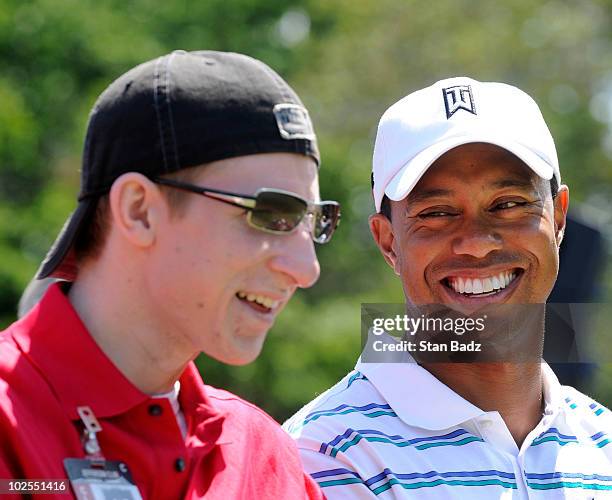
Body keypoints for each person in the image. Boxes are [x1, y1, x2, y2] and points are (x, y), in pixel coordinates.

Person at [0, 50, 341, 499]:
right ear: (138, 211)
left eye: (313, 222)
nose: (306, 269)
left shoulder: (263, 453)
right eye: (271, 214)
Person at [285, 77, 612, 498]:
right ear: (388, 242)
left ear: (560, 219)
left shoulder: (602, 442)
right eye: (437, 213)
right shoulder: (324, 456)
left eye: (509, 204)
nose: (476, 243)